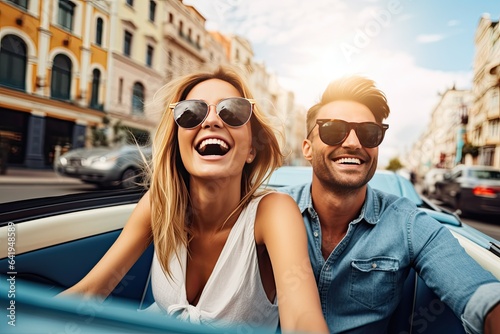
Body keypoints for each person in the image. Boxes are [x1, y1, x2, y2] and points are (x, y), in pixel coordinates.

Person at [61, 66, 329, 333]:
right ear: (178, 143)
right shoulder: (160, 202)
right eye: (190, 113)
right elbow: (89, 292)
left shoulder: (274, 212)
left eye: (232, 111)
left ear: (250, 149)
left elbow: (301, 320)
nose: (211, 121)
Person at [278, 76, 500, 333]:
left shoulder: (407, 223)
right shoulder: (270, 211)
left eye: (369, 133)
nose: (353, 143)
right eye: (333, 129)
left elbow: (479, 293)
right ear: (307, 148)